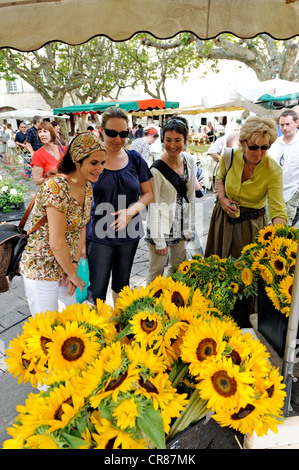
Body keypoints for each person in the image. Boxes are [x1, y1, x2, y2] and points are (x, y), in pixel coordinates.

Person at [19, 132, 106, 318]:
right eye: (94, 163)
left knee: (71, 322)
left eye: (102, 163)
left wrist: (73, 266)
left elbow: (82, 226)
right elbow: (57, 242)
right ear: (77, 160)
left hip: (66, 266)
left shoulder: (87, 187)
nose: (100, 168)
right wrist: (73, 274)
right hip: (41, 267)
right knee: (46, 330)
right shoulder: (56, 187)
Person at [86, 107, 153, 305]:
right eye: (112, 133)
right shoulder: (90, 161)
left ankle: (120, 327)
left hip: (128, 233)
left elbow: (148, 193)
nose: (118, 139)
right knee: (96, 289)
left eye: (123, 134)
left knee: (122, 286)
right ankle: (95, 331)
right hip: (98, 234)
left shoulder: (135, 160)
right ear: (100, 130)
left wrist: (131, 212)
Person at [205, 116, 287, 259]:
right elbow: (219, 178)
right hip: (223, 219)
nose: (259, 152)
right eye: (253, 147)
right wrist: (222, 198)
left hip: (251, 227)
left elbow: (278, 209)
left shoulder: (273, 170)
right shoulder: (229, 156)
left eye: (264, 147)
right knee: (218, 267)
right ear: (243, 143)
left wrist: (280, 238)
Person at [146, 116, 197, 283]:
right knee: (156, 273)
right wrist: (159, 241)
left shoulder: (189, 161)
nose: (172, 145)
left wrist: (189, 226)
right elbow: (153, 207)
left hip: (180, 225)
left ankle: (173, 307)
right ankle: (148, 306)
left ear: (185, 140)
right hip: (160, 226)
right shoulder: (157, 169)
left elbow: (190, 196)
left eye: (177, 140)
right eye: (168, 140)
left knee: (178, 271)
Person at [268, 109, 299, 226]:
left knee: (285, 229)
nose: (285, 128)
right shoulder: (275, 144)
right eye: (282, 125)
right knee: (270, 228)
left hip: (292, 193)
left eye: (288, 124)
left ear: (296, 123)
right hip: (273, 194)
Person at [31, 121, 67, 185]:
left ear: (51, 133)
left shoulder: (64, 149)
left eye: (45, 131)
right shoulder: (38, 154)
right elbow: (37, 181)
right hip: (52, 192)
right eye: (39, 132)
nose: (42, 134)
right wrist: (55, 177)